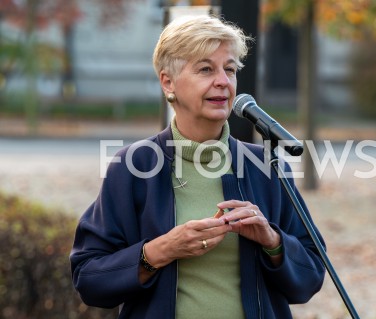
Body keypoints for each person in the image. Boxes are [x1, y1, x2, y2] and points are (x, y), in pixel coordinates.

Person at [70, 15, 326, 319]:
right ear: (168, 82)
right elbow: (89, 278)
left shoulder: (266, 167)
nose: (223, 81)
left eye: (229, 69)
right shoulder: (133, 167)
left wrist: (272, 241)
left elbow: (311, 276)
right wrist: (162, 250)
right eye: (206, 69)